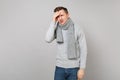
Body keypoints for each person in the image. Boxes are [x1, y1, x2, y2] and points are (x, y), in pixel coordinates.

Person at [45, 6, 87, 80]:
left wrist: (82, 69)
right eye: (58, 16)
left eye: (62, 15)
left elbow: (83, 49)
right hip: (59, 68)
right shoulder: (56, 27)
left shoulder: (77, 28)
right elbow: (47, 39)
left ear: (68, 15)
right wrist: (53, 22)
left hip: (74, 68)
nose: (60, 18)